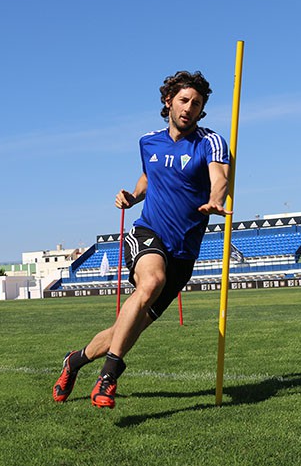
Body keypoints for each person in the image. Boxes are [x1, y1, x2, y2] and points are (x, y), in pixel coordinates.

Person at [53, 70, 231, 408]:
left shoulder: (211, 142)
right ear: (168, 102)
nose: (189, 108)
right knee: (151, 282)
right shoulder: (148, 141)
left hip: (183, 254)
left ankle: (74, 361)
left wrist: (217, 200)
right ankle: (109, 377)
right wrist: (133, 197)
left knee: (124, 329)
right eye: (183, 100)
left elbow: (219, 176)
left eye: (196, 103)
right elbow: (149, 176)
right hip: (147, 233)